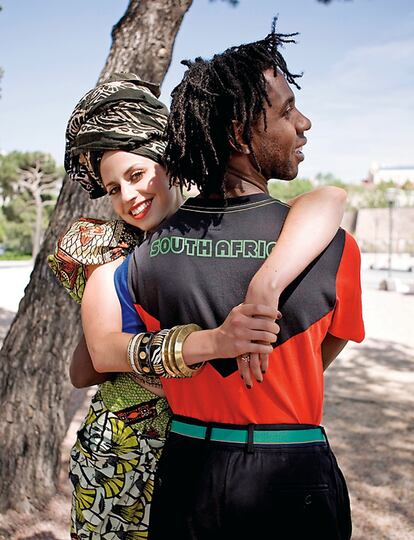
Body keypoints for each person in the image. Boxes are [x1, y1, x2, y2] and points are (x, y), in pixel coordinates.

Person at [53, 69, 347, 538]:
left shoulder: (216, 227)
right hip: (124, 447)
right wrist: (208, 343)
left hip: (190, 445)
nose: (129, 196)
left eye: (137, 174)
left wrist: (264, 289)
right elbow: (86, 367)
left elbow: (329, 200)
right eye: (113, 189)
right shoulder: (108, 251)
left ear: (167, 162)